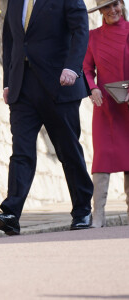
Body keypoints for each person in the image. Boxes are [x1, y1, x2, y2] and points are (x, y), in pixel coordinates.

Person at [0, 0, 94, 234]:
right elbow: (10, 40)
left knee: (68, 151)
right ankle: (11, 212)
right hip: (22, 87)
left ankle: (82, 209)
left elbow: (80, 30)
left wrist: (73, 67)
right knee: (21, 151)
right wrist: (7, 81)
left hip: (59, 83)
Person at [83, 0, 129, 228]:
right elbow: (86, 68)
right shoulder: (93, 36)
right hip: (106, 106)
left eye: (115, 5)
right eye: (106, 7)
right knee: (102, 156)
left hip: (128, 102)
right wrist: (93, 88)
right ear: (100, 11)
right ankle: (98, 214)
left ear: (122, 5)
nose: (112, 11)